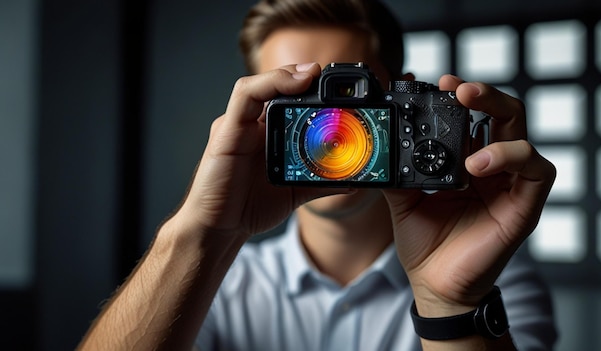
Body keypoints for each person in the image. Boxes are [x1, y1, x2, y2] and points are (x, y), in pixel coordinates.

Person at [78, 0, 558, 350]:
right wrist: (200, 234)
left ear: (402, 98)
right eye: (302, 94)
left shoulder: (492, 278)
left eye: (354, 96)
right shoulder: (216, 280)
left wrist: (450, 305)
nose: (332, 127)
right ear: (261, 111)